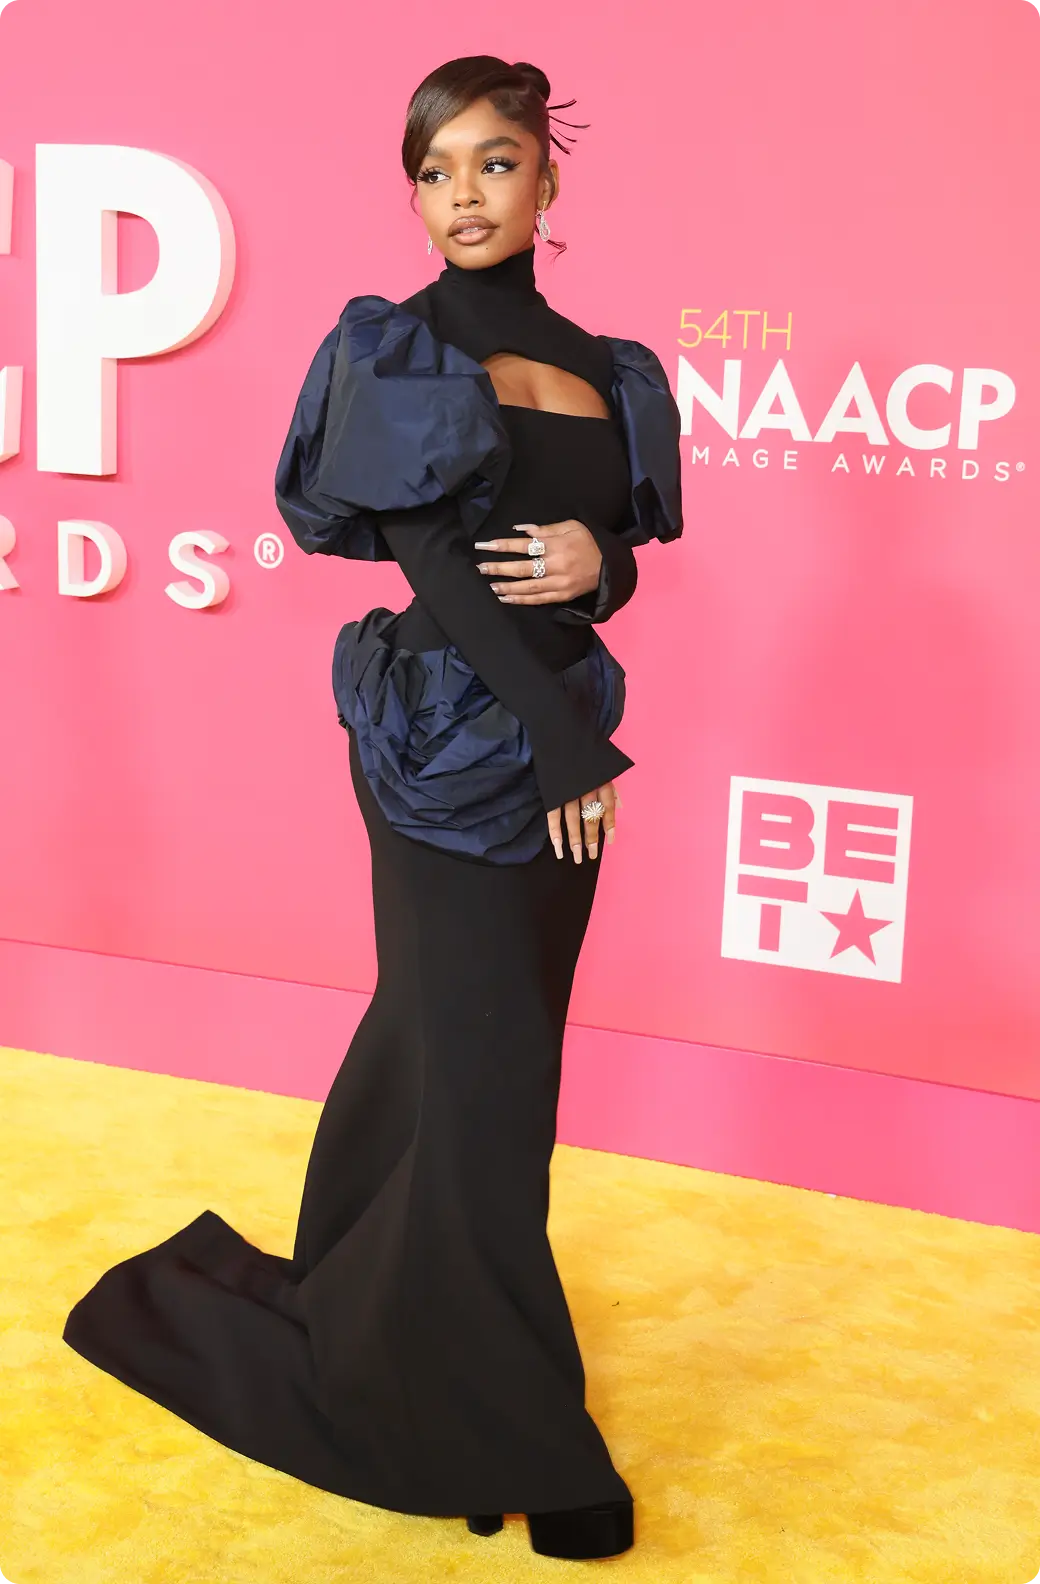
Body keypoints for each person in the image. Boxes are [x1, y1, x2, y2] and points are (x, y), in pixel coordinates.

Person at [63, 55, 682, 1562]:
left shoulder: (610, 364)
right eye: (434, 169)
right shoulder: (394, 347)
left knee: (448, 1043)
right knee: (489, 1082)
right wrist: (562, 747)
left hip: (561, 727)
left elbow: (602, 558)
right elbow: (439, 572)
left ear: (547, 178)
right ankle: (520, 1429)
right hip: (451, 737)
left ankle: (375, 1298)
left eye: (493, 163)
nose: (462, 195)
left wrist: (607, 565)